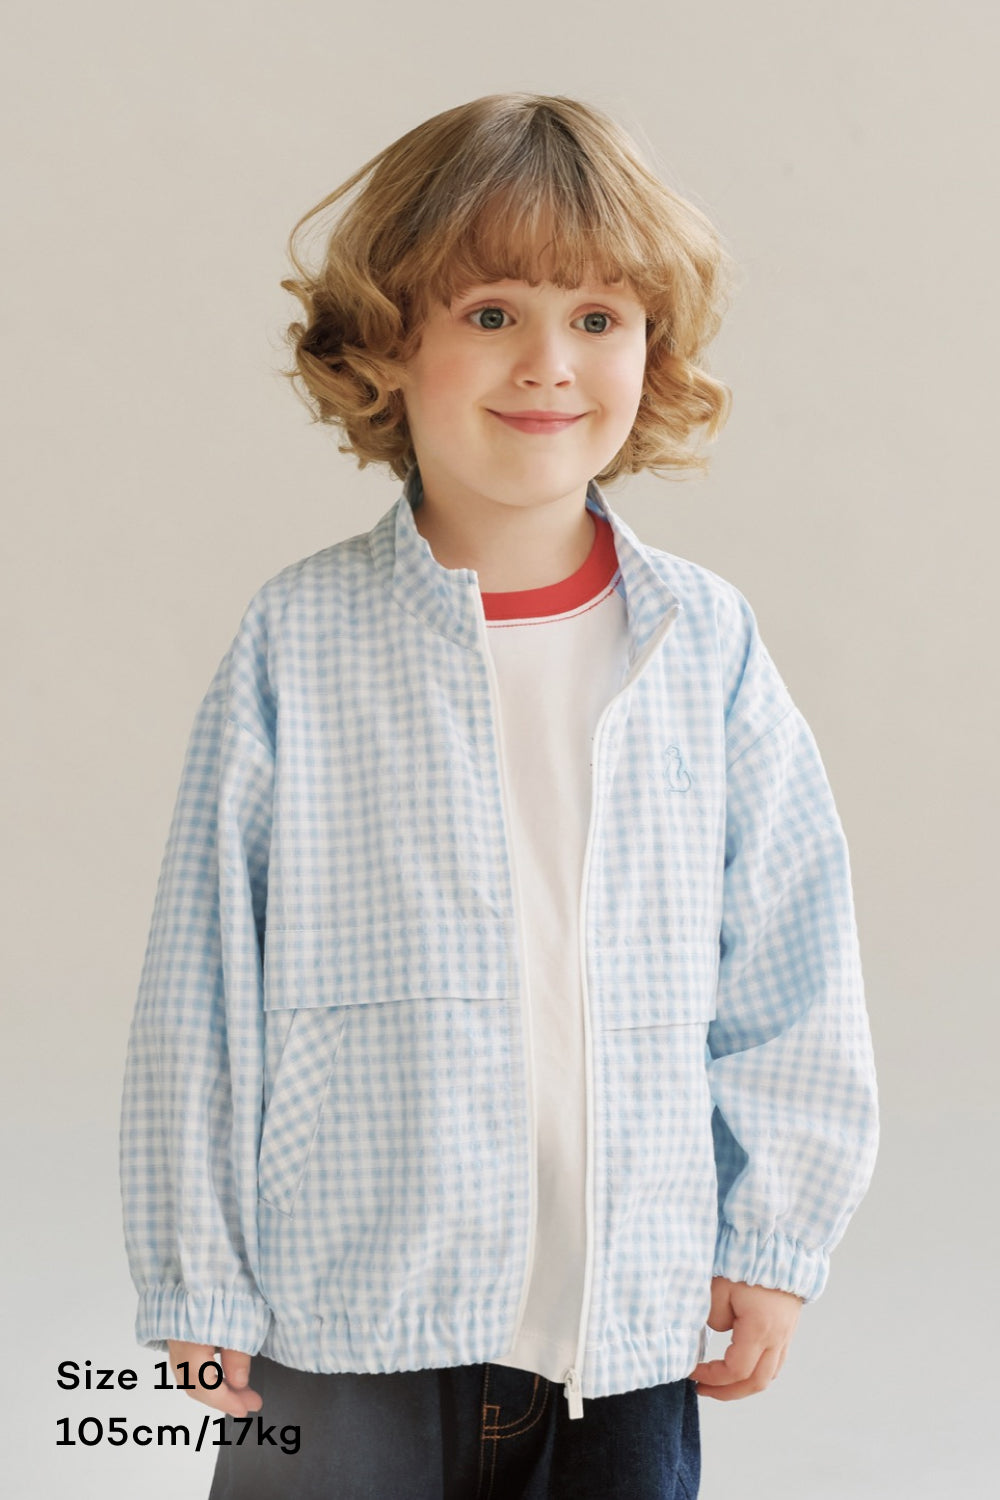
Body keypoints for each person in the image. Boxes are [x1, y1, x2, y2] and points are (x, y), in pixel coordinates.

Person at [119, 93, 879, 1499]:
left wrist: (774, 1236)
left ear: (651, 350)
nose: (549, 363)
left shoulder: (702, 642)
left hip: (625, 1328)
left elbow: (792, 958)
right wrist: (194, 1277)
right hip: (349, 1322)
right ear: (387, 343)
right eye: (491, 313)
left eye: (598, 317)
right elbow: (202, 986)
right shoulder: (301, 641)